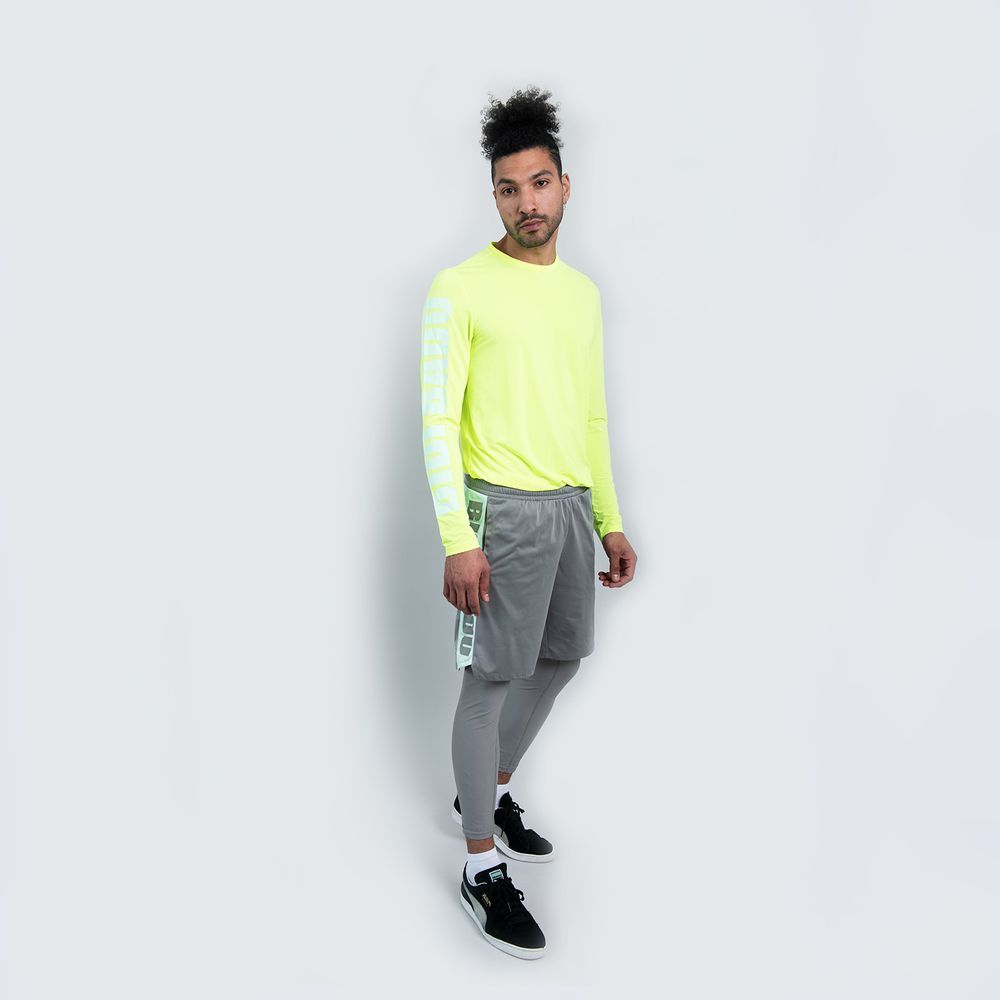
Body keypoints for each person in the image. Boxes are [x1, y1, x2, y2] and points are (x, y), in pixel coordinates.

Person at [419, 86, 637, 960]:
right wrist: (457, 537)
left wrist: (609, 519)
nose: (527, 202)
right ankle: (479, 866)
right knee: (489, 682)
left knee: (560, 659)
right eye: (509, 189)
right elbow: (438, 420)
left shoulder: (582, 295)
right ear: (495, 196)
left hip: (569, 508)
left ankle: (489, 790)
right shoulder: (459, 288)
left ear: (565, 186)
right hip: (499, 514)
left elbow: (591, 415)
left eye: (540, 183)